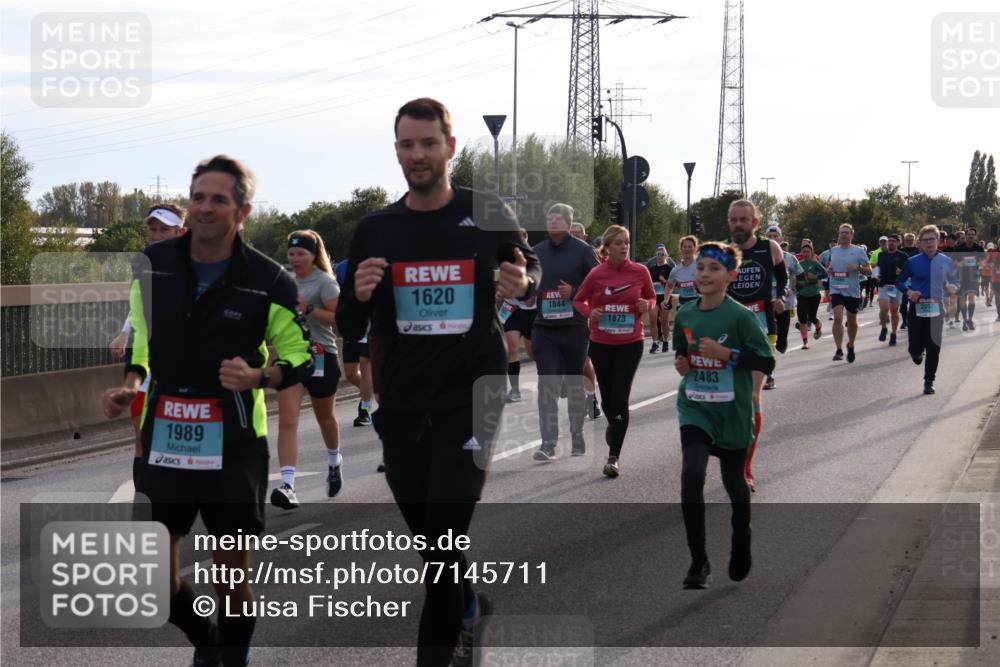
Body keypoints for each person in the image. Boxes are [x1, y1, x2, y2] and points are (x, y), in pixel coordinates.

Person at [336, 98, 540, 667]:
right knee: (429, 538)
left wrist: (522, 285)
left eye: (428, 143)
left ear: (450, 147)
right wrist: (357, 296)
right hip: (402, 399)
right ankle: (470, 606)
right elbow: (350, 326)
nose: (417, 154)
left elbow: (531, 270)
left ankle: (443, 649)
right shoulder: (377, 228)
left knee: (445, 538)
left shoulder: (487, 212)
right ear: (397, 151)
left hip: (473, 394)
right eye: (407, 144)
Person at [101, 155, 313, 666]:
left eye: (219, 199)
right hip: (166, 431)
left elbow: (301, 356)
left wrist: (259, 377)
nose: (205, 208)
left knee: (231, 573)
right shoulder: (153, 268)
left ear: (243, 210)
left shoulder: (270, 280)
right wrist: (131, 385)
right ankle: (206, 641)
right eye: (198, 197)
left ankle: (230, 658)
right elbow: (142, 343)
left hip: (234, 441)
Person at [672, 241, 775, 589]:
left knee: (734, 485)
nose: (704, 274)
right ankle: (698, 562)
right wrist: (682, 363)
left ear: (730, 276)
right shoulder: (685, 313)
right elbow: (680, 351)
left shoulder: (741, 317)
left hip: (731, 411)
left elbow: (766, 361)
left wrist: (726, 354)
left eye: (713, 269)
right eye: (700, 267)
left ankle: (741, 538)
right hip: (695, 406)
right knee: (691, 475)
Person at [107, 204, 188, 479]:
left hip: (180, 360)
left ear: (181, 231)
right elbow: (140, 306)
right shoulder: (144, 265)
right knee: (140, 433)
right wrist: (124, 331)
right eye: (153, 229)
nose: (156, 234)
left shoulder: (196, 266)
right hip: (145, 356)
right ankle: (146, 490)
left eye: (164, 230)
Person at [572, 225, 655, 477]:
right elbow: (578, 300)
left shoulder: (641, 271)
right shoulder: (597, 274)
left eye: (626, 242)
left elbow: (652, 298)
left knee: (620, 396)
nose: (624, 247)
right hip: (602, 343)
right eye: (618, 243)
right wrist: (590, 312)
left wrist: (645, 304)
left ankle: (613, 457)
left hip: (631, 342)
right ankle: (614, 423)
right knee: (608, 399)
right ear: (607, 248)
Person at [270, 230, 344, 509]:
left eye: (301, 253)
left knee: (325, 418)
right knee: (288, 420)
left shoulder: (325, 282)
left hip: (322, 355)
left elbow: (339, 321)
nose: (295, 258)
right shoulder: (285, 282)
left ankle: (334, 460)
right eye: (291, 253)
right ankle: (288, 486)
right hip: (292, 357)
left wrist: (308, 308)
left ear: (314, 255)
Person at [532, 203, 600, 461]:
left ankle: (577, 435)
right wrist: (526, 292)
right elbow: (529, 282)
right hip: (544, 329)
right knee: (546, 385)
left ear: (569, 223)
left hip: (574, 328)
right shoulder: (536, 252)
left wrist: (575, 291)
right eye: (550, 217)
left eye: (558, 217)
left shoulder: (584, 251)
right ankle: (547, 443)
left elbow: (599, 284)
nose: (553, 221)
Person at [725, 200, 786, 491]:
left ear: (755, 223)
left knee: (751, 398)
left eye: (743, 220)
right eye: (733, 220)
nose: (738, 224)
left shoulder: (769, 248)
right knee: (729, 400)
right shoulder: (723, 252)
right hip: (729, 328)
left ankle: (745, 468)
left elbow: (783, 277)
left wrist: (781, 297)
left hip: (762, 328)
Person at [896, 224, 959, 395]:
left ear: (938, 241)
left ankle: (929, 381)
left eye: (932, 239)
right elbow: (900, 282)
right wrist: (909, 291)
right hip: (917, 307)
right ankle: (916, 353)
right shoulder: (912, 261)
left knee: (933, 347)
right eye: (926, 240)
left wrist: (953, 287)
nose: (929, 242)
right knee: (915, 349)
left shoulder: (946, 261)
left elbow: (956, 281)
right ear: (920, 243)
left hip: (936, 308)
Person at [823, 224, 871, 362]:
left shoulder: (858, 251)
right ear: (838, 234)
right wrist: (830, 270)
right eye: (841, 233)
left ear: (852, 235)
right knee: (837, 318)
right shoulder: (834, 250)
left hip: (852, 290)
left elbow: (869, 270)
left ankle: (850, 345)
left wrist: (858, 267)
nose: (844, 235)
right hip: (836, 287)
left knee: (852, 321)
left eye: (847, 233)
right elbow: (831, 266)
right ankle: (838, 349)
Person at [500, 227, 537, 402]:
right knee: (512, 347)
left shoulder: (535, 259)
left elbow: (542, 279)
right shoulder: (504, 260)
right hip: (512, 310)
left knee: (533, 353)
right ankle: (515, 390)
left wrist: (533, 294)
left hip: (533, 312)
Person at [765, 226, 803, 362]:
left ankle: (779, 346)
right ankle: (768, 361)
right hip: (766, 302)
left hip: (785, 302)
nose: (773, 239)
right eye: (769, 237)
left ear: (781, 239)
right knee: (769, 332)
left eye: (776, 236)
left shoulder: (790, 258)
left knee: (782, 341)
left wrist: (793, 290)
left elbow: (801, 277)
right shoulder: (761, 257)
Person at [663, 236, 699, 349]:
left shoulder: (700, 266)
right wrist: (665, 300)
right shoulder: (675, 270)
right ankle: (690, 348)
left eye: (690, 247)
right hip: (683, 306)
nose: (687, 249)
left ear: (695, 249)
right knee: (687, 334)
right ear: (681, 249)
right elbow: (669, 287)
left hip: (699, 304)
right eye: (685, 247)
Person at [794, 244, 827, 349]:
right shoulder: (799, 264)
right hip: (802, 294)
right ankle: (805, 342)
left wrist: (816, 277)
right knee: (802, 319)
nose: (806, 253)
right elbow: (793, 276)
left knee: (812, 317)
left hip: (814, 294)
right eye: (804, 251)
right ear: (801, 253)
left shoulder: (815, 263)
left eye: (808, 251)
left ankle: (818, 326)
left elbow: (825, 274)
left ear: (811, 253)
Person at [952, 228, 985, 331]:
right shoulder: (958, 248)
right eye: (969, 234)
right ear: (965, 235)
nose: (971, 236)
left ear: (975, 236)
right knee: (962, 300)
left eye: (973, 235)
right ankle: (965, 320)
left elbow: (982, 263)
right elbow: (952, 262)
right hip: (960, 277)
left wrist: (979, 268)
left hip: (973, 277)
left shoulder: (979, 248)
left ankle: (969, 320)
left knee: (971, 298)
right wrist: (959, 264)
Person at [647, 243, 675, 353]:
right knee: (653, 320)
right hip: (654, 297)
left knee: (664, 322)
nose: (660, 255)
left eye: (662, 253)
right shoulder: (652, 269)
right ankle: (655, 343)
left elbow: (673, 285)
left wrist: (664, 281)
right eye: (658, 253)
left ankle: (665, 340)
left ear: (666, 255)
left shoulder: (669, 269)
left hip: (665, 297)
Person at [899, 232, 920, 328]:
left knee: (916, 301)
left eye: (911, 239)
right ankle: (904, 321)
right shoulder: (900, 251)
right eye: (908, 239)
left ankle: (915, 320)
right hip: (905, 280)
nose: (910, 241)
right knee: (904, 302)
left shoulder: (919, 251)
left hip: (916, 279)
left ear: (915, 240)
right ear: (905, 240)